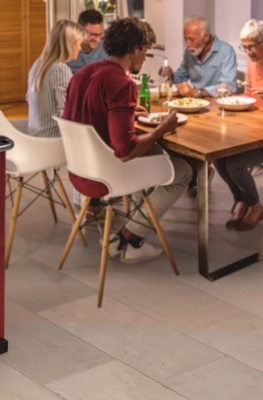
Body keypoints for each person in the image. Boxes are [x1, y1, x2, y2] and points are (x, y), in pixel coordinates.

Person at [63, 17, 192, 263]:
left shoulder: (83, 74)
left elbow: (89, 113)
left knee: (154, 152)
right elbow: (125, 150)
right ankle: (130, 237)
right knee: (183, 170)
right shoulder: (121, 83)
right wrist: (162, 129)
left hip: (79, 171)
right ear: (134, 49)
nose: (144, 57)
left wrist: (126, 113)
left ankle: (131, 229)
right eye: (144, 51)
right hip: (106, 175)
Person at [213, 19, 263, 231]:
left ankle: (256, 206)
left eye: (252, 46)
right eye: (244, 46)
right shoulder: (252, 65)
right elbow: (250, 96)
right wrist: (234, 96)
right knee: (219, 158)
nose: (248, 51)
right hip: (253, 130)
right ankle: (242, 200)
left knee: (234, 164)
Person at [26, 20, 84, 137]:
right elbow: (67, 114)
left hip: (35, 139)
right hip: (53, 141)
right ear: (71, 44)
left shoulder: (37, 65)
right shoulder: (60, 70)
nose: (80, 49)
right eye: (79, 44)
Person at [163, 16, 238, 98]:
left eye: (192, 39)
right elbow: (182, 75)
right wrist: (170, 75)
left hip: (217, 103)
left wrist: (199, 92)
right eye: (186, 39)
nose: (188, 45)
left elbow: (228, 86)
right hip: (196, 103)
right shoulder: (189, 52)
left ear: (206, 37)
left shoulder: (225, 51)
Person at [66, 9, 109, 74]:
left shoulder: (107, 49)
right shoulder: (69, 51)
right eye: (92, 35)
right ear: (80, 30)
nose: (98, 39)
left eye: (100, 34)